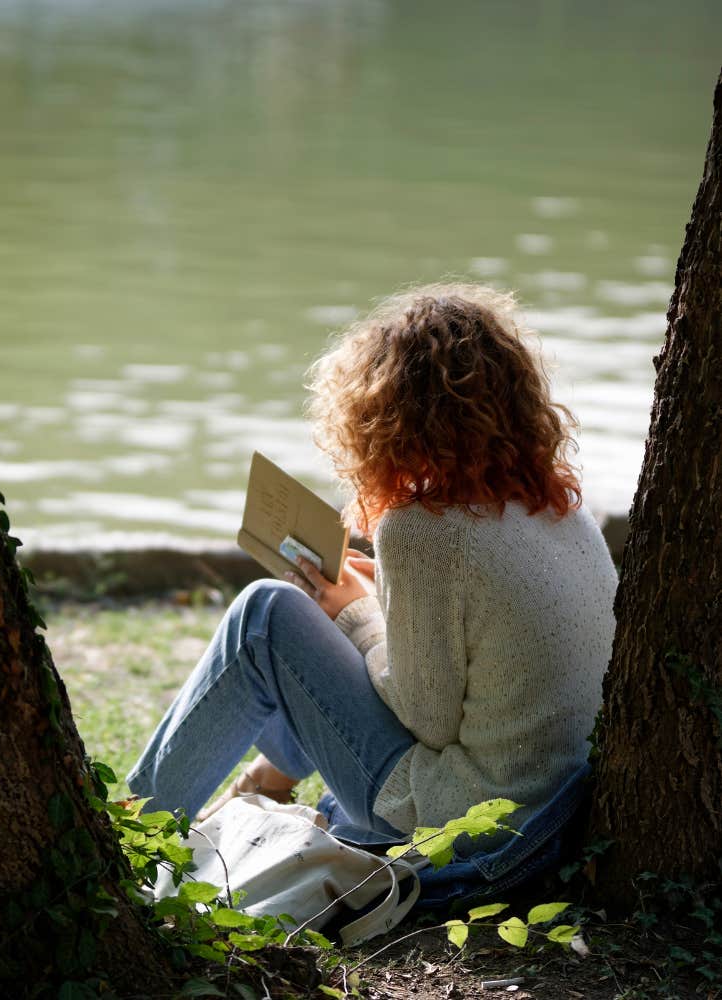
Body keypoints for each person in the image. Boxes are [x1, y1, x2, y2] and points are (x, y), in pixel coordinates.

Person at [126, 283, 618, 846]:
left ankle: (132, 838)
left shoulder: (424, 531)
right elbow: (479, 650)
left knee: (266, 613)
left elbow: (426, 718)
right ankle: (263, 783)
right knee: (321, 619)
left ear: (385, 418)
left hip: (468, 827)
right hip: (554, 810)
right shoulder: (560, 509)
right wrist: (374, 601)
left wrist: (357, 616)